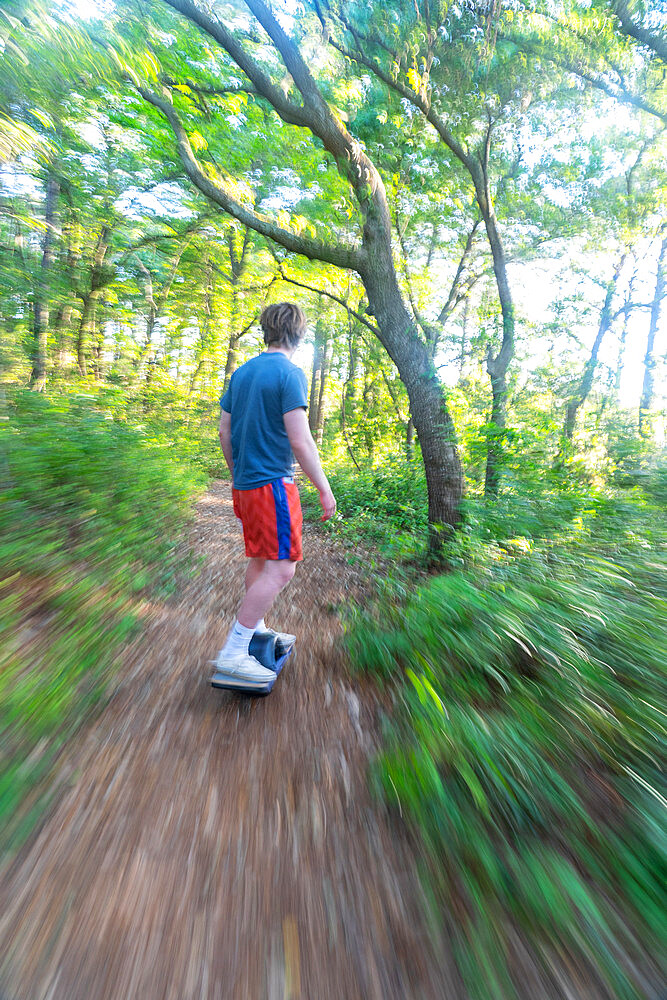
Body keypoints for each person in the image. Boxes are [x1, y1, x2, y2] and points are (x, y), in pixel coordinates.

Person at [213, 302, 336, 688]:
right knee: (282, 568)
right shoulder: (289, 374)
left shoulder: (242, 373)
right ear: (298, 336)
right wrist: (324, 487)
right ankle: (233, 652)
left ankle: (256, 631)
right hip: (273, 485)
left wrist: (239, 477)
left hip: (247, 484)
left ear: (265, 330)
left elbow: (224, 433)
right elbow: (300, 440)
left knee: (262, 558)